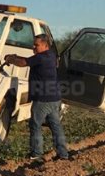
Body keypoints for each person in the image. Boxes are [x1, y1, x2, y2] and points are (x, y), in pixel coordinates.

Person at [4, 34, 70, 162]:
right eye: (33, 44)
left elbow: (23, 63)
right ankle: (63, 154)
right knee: (56, 126)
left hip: (43, 99)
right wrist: (15, 57)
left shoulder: (41, 58)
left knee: (35, 125)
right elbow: (29, 60)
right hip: (54, 98)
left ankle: (36, 154)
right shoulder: (50, 55)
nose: (33, 47)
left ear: (45, 45)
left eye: (36, 45)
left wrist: (10, 59)